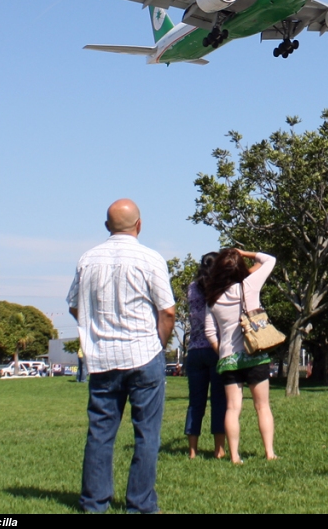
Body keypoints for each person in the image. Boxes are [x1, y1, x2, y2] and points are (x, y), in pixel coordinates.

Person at [66, 199, 175, 514]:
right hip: (144, 353)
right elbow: (167, 310)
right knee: (146, 434)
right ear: (139, 224)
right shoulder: (150, 258)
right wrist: (160, 342)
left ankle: (94, 502)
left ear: (106, 227)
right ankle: (140, 504)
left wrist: (94, 328)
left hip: (102, 357)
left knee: (100, 432)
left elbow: (74, 304)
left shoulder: (88, 259)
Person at [204, 248, 278, 465]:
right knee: (262, 406)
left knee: (233, 408)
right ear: (239, 268)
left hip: (228, 359)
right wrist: (243, 252)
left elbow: (210, 332)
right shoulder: (249, 286)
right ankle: (269, 452)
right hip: (254, 354)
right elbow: (269, 259)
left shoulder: (212, 298)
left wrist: (223, 353)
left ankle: (235, 456)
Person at [185, 252, 226, 460]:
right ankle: (219, 449)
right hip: (216, 348)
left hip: (194, 350)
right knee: (219, 400)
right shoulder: (220, 288)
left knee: (195, 402)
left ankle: (193, 450)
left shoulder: (192, 288)